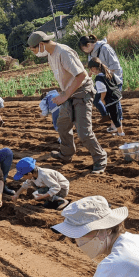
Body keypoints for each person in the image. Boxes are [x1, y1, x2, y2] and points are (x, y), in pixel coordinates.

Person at [27, 31, 107, 174]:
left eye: (34, 50)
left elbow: (81, 75)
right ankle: (66, 153)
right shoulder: (51, 55)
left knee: (84, 132)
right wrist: (63, 94)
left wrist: (64, 96)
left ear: (41, 45)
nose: (34, 53)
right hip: (69, 93)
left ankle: (100, 158)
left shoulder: (64, 52)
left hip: (82, 93)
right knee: (63, 125)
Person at [79, 34, 124, 130]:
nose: (84, 52)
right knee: (96, 99)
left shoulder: (105, 48)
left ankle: (116, 125)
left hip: (113, 78)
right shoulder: (90, 54)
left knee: (114, 102)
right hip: (102, 80)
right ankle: (106, 116)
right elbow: (92, 69)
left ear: (88, 45)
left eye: (83, 49)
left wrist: (109, 79)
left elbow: (115, 65)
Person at [88, 58, 124, 137]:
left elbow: (103, 91)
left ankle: (121, 133)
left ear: (93, 68)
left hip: (110, 99)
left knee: (114, 116)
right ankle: (117, 130)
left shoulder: (98, 79)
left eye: (90, 69)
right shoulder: (109, 72)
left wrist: (102, 99)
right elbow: (119, 82)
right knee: (116, 114)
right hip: (117, 96)